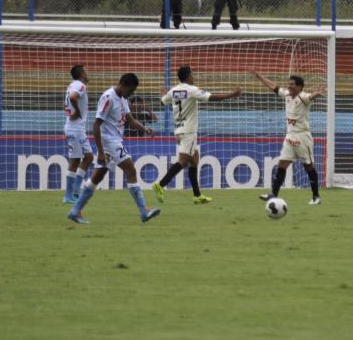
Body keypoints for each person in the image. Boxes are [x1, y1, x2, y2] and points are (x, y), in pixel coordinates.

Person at [67, 73, 160, 225]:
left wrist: (144, 128)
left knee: (97, 176)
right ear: (122, 85)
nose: (132, 93)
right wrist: (101, 151)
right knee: (131, 170)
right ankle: (144, 211)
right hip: (109, 141)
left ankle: (75, 211)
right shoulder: (108, 98)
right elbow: (96, 124)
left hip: (113, 141)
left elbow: (130, 120)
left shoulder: (123, 98)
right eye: (131, 90)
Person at [152, 66, 241, 204]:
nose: (193, 77)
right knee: (183, 161)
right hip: (189, 131)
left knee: (194, 159)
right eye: (192, 75)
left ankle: (197, 195)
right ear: (188, 76)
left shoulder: (174, 90)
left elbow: (162, 101)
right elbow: (212, 97)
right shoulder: (192, 90)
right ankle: (160, 185)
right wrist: (232, 95)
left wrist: (163, 94)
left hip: (179, 130)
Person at [253, 71, 325, 205]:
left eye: (292, 84)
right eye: (289, 84)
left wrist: (316, 94)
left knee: (308, 166)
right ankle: (273, 194)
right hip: (290, 136)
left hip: (303, 136)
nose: (289, 86)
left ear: (300, 87)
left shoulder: (303, 97)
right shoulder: (287, 94)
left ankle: (316, 196)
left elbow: (311, 96)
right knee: (282, 164)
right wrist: (260, 77)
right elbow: (274, 87)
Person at [62, 65, 94, 204]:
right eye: (86, 71)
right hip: (75, 129)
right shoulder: (80, 85)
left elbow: (70, 100)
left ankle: (75, 192)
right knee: (75, 160)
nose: (88, 74)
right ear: (81, 74)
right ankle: (69, 195)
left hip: (76, 127)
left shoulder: (72, 85)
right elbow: (73, 97)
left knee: (88, 157)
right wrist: (78, 112)